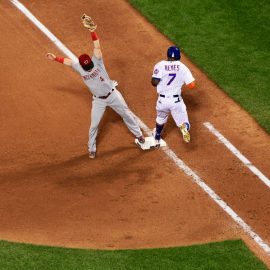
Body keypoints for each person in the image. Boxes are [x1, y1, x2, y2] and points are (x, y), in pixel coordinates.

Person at [46, 15, 145, 159]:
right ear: (82, 65)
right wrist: (55, 58)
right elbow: (68, 61)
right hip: (98, 100)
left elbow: (97, 46)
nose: (89, 66)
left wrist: (92, 31)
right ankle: (91, 148)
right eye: (87, 66)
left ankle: (139, 136)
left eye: (89, 65)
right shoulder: (79, 67)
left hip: (113, 95)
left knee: (127, 115)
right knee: (94, 125)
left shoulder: (97, 61)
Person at [151, 46, 196, 147]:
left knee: (161, 118)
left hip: (162, 101)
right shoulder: (183, 67)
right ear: (179, 56)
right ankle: (184, 128)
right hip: (176, 101)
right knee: (184, 122)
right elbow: (192, 85)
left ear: (167, 55)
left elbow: (154, 82)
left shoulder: (160, 65)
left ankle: (157, 137)